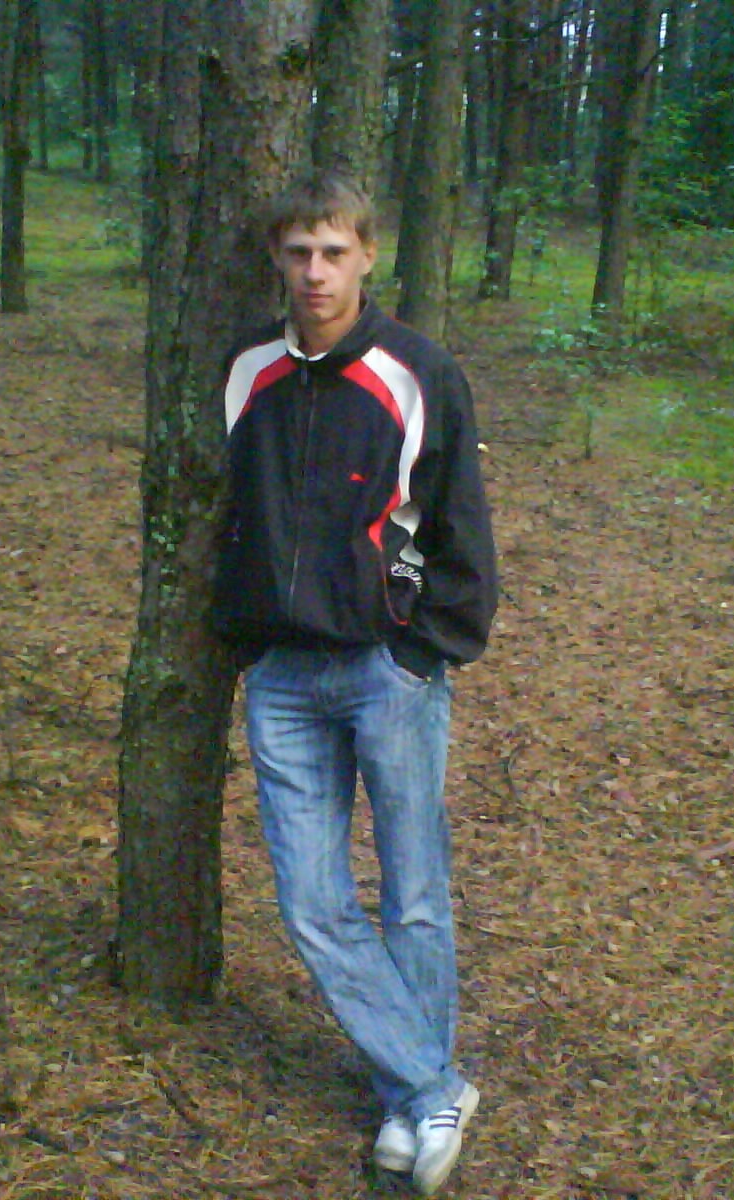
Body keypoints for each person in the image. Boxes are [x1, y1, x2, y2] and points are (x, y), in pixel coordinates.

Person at [212, 173, 499, 1196]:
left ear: (368, 256)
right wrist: (244, 633)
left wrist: (419, 641)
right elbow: (234, 508)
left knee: (413, 894)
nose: (315, 272)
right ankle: (428, 1088)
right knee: (311, 902)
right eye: (298, 252)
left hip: (387, 670)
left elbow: (447, 516)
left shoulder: (419, 372)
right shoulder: (248, 368)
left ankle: (408, 1105)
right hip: (283, 679)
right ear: (277, 260)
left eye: (334, 252)